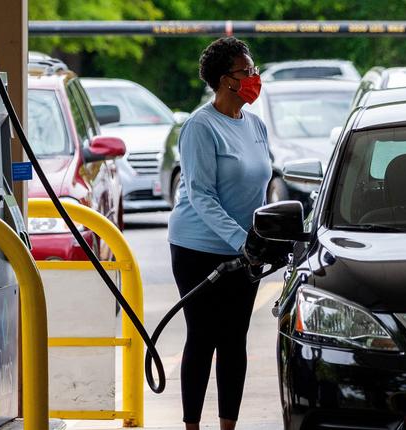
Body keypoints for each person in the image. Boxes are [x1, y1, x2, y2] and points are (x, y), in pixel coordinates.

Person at [167, 37, 269, 430]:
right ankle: (192, 425)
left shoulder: (256, 126)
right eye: (247, 71)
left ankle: (228, 426)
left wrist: (267, 238)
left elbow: (259, 190)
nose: (254, 77)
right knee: (204, 336)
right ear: (226, 80)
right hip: (198, 248)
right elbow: (202, 196)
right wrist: (242, 242)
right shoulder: (200, 127)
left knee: (234, 340)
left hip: (247, 251)